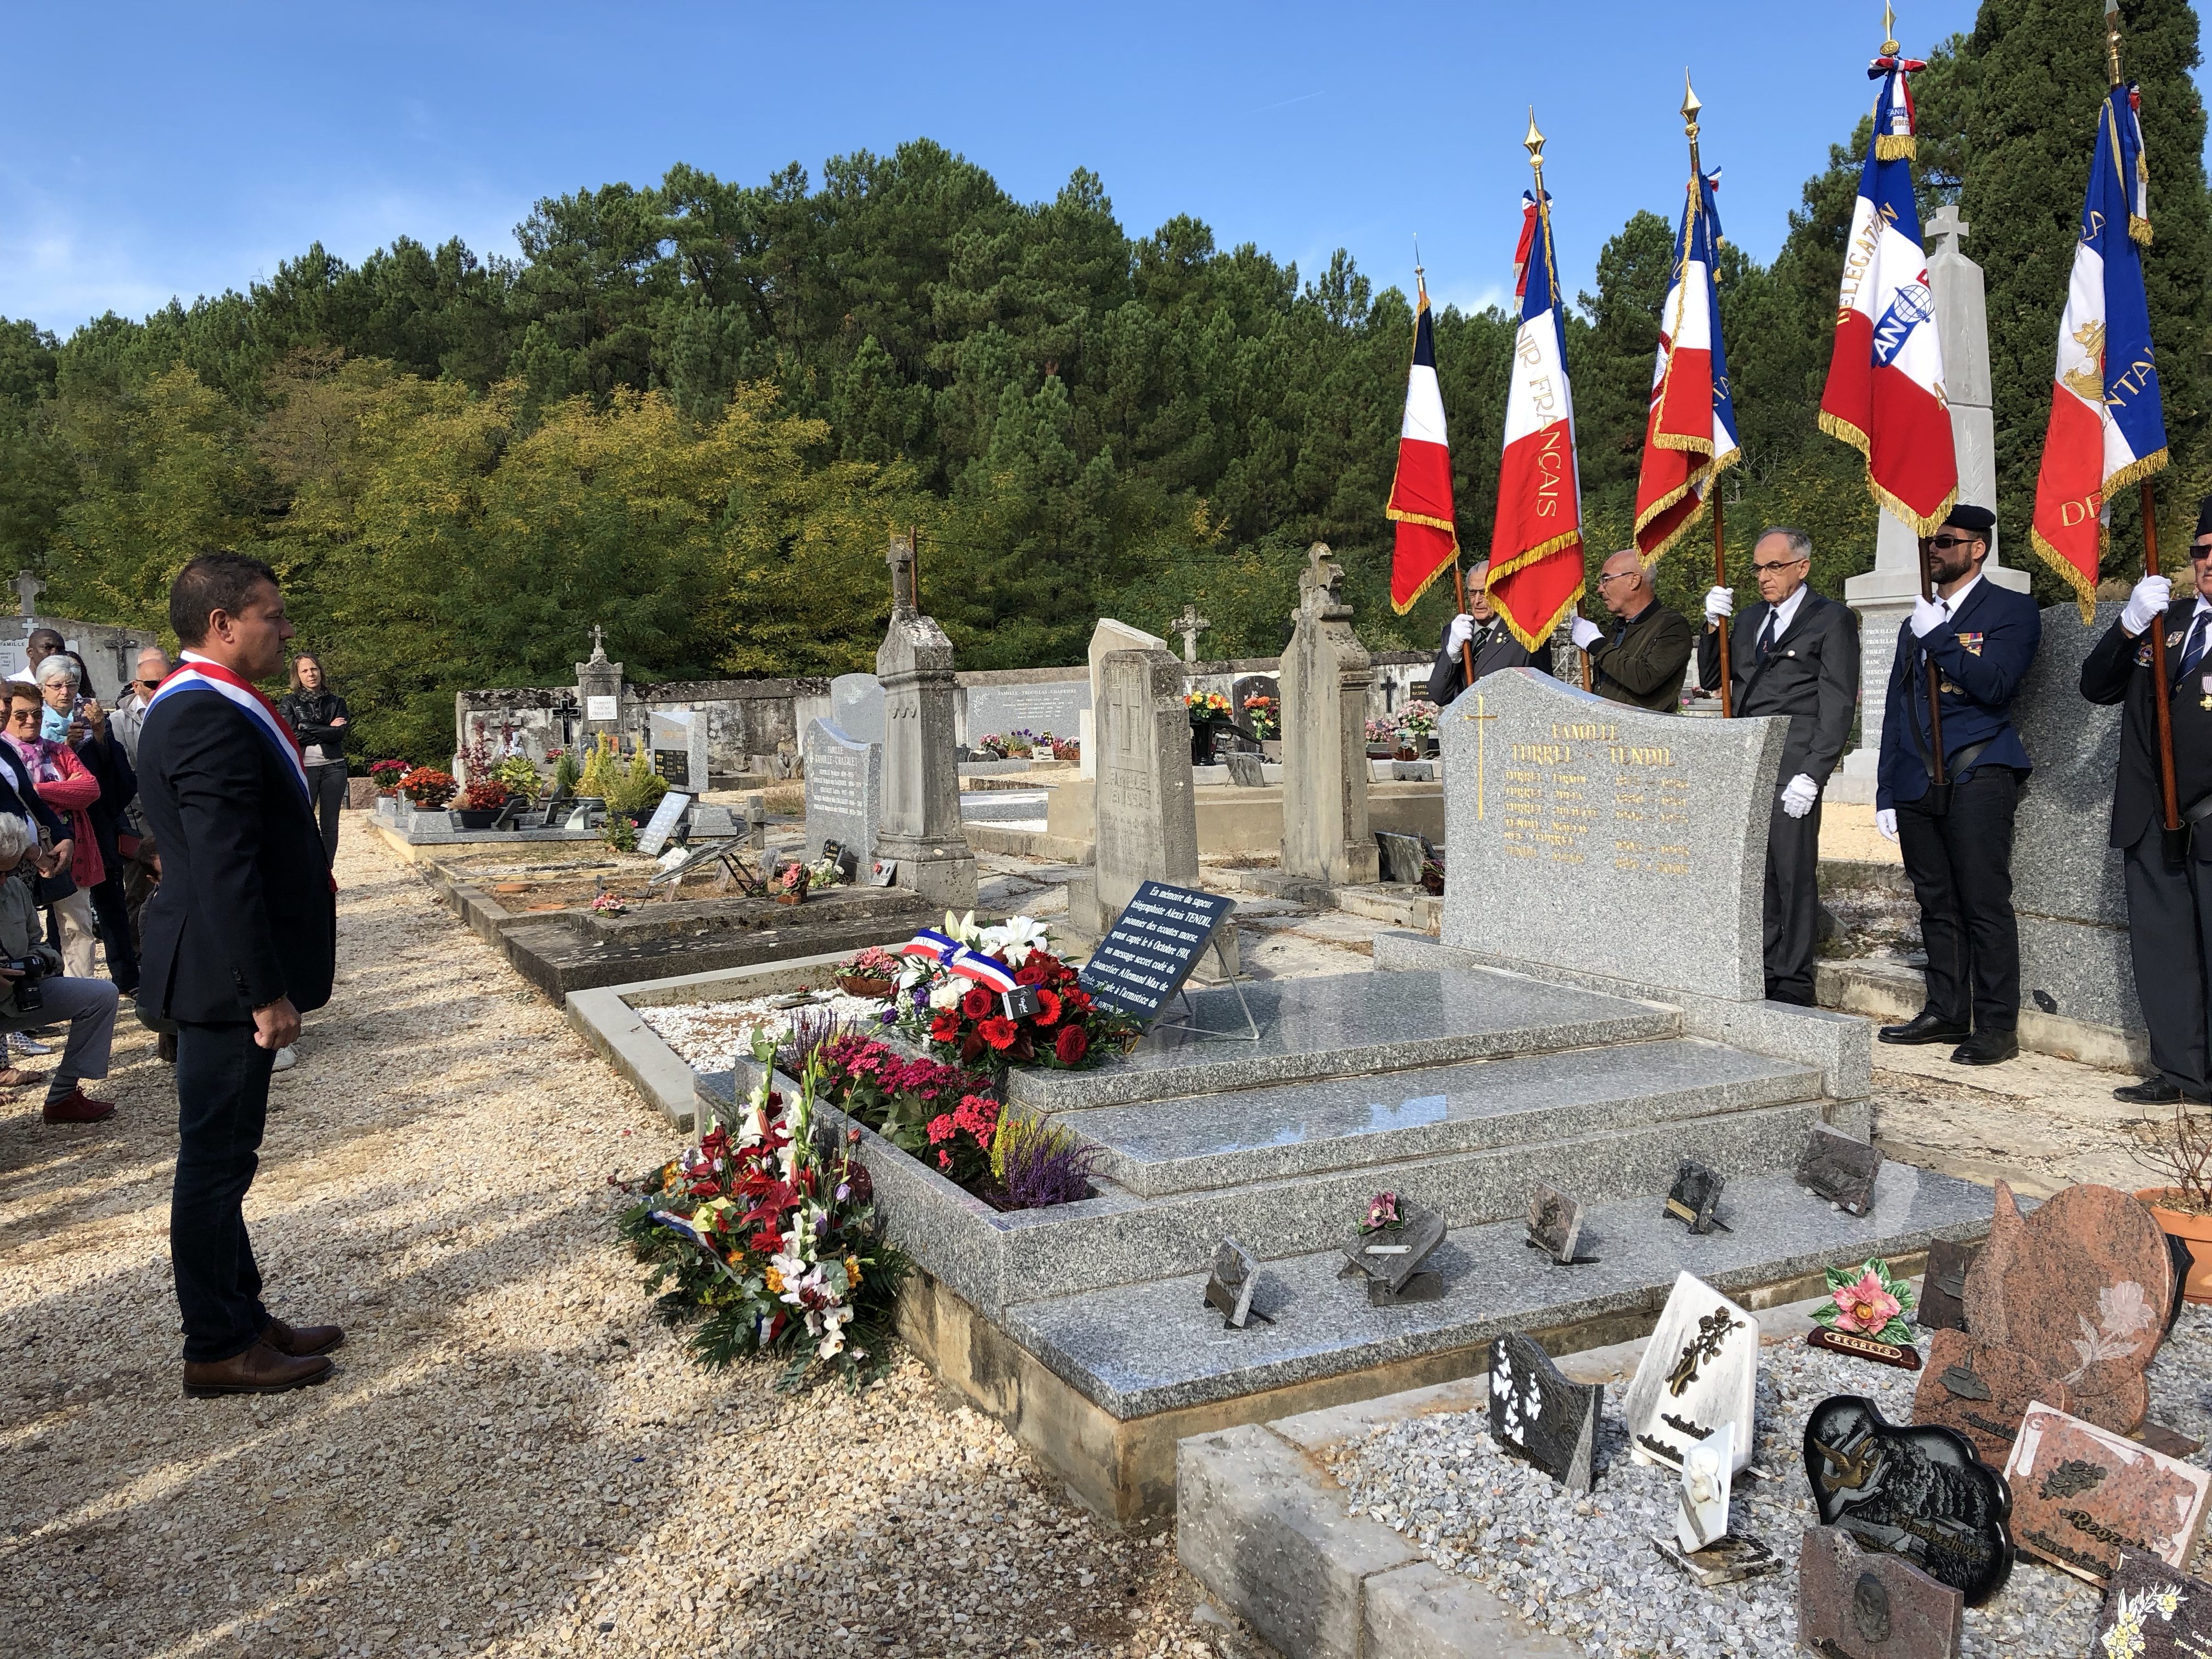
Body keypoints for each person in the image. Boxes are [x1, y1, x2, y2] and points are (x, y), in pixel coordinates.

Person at [139, 551, 340, 1396]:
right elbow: (225, 869)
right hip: (223, 982)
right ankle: (216, 1344)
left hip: (217, 974)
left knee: (230, 1156)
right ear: (222, 624)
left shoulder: (215, 704)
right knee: (216, 1160)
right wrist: (264, 990)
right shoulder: (200, 715)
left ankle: (244, 1313)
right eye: (272, 614)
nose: (286, 628)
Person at [1873, 504, 2042, 1066]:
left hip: (1978, 771)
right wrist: (1885, 790)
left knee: (1983, 903)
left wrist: (1940, 638)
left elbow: (1994, 685)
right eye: (1929, 541)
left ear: (1978, 549)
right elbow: (1898, 711)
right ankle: (1947, 1010)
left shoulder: (2011, 611)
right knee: (1936, 903)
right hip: (1917, 777)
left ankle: (1995, 1026)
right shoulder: (1915, 621)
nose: (1934, 551)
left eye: (1947, 541)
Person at [1696, 528, 1861, 1005]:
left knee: (1792, 869)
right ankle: (1760, 963)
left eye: (1774, 567)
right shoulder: (1748, 619)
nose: (1763, 577)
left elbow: (1836, 702)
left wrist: (1815, 771)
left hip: (1794, 759)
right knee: (1753, 869)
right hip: (1749, 756)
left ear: (1802, 567)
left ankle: (1793, 976)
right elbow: (1712, 678)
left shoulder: (1830, 620)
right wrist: (1712, 627)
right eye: (1758, 568)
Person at [2083, 496, 2212, 1105]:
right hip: (2152, 816)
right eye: (2200, 553)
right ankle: (2183, 1074)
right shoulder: (2169, 620)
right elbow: (2096, 686)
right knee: (2165, 953)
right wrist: (2129, 624)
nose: (2207, 562)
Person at [0, 811, 121, 1121]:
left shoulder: (14, 890)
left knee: (101, 996)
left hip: (17, 996)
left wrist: (38, 962)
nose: (3, 881)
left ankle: (64, 1097)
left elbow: (37, 942)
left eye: (8, 871)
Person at [12, 667, 101, 978]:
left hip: (66, 848)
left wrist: (37, 790)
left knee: (77, 927)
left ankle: (83, 994)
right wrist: (63, 792)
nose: (31, 721)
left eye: (36, 714)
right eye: (21, 714)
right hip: (17, 855)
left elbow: (89, 789)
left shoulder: (59, 751)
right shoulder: (5, 754)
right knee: (17, 930)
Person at [61, 653, 140, 995]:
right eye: (58, 685)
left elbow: (116, 775)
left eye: (73, 682)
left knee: (112, 903)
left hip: (99, 822)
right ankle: (65, 986)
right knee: (65, 912)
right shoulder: (35, 722)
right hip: (63, 828)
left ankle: (126, 976)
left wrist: (97, 736)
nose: (66, 691)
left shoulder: (94, 715)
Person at [1568, 549, 1695, 713]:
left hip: (1645, 732)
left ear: (1634, 581)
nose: (1600, 589)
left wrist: (1597, 644)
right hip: (1609, 730)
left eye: (1606, 579)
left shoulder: (1672, 626)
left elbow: (1645, 679)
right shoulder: (1617, 628)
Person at [1426, 560, 1554, 706]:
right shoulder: (1454, 631)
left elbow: (1544, 693)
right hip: (1467, 725)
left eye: (1484, 593)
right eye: (1472, 593)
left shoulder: (1525, 635)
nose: (1477, 601)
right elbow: (1439, 696)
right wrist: (1453, 652)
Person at [278, 652, 351, 865]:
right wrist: (327, 729)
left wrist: (309, 727)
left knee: (330, 824)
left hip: (334, 768)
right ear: (297, 676)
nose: (311, 674)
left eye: (314, 669)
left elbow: (340, 733)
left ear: (321, 671)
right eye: (305, 671)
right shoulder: (289, 703)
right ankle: (307, 869)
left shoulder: (337, 702)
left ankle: (327, 872)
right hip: (305, 768)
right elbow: (292, 734)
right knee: (303, 822)